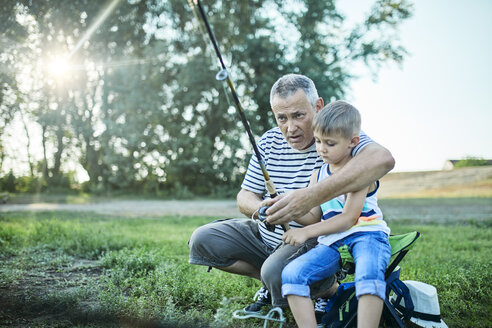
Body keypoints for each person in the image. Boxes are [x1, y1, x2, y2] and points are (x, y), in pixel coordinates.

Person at [188, 74, 394, 314]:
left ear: (318, 106)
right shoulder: (268, 141)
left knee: (276, 271)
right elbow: (244, 196)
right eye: (281, 118)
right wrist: (262, 209)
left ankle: (323, 288)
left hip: (313, 240)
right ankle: (272, 283)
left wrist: (309, 197)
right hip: (269, 234)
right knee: (203, 240)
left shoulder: (339, 138)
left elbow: (383, 159)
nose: (290, 127)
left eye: (298, 115)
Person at [281, 100, 391, 328]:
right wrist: (285, 209)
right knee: (292, 274)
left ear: (353, 142)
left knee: (368, 274)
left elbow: (349, 218)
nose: (321, 148)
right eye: (318, 141)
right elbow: (313, 216)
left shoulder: (360, 172)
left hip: (367, 235)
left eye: (330, 143)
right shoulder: (317, 173)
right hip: (332, 242)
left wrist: (306, 233)